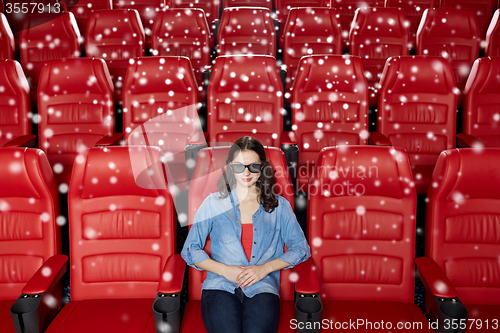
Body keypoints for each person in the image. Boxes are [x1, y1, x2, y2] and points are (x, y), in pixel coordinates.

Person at [181, 136, 311, 333]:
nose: (247, 173)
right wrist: (225, 270)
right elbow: (190, 249)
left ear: (263, 167)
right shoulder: (212, 203)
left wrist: (264, 269)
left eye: (253, 166)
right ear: (230, 167)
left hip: (263, 285)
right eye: (239, 166)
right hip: (219, 285)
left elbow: (300, 248)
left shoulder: (280, 206)